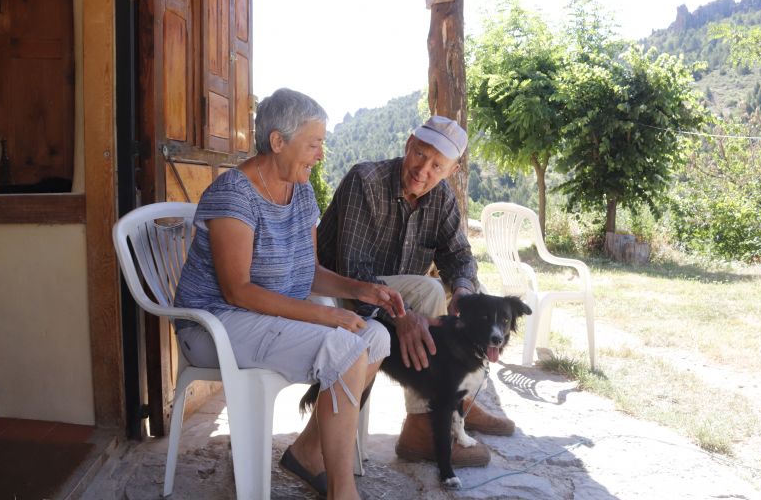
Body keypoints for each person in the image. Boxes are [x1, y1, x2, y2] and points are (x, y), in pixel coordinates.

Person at [173, 88, 405, 500]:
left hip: (269, 319)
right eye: (313, 144)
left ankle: (308, 451)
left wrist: (362, 290)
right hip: (214, 327)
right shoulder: (234, 195)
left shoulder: (300, 191)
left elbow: (308, 271)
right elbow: (237, 290)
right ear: (278, 141)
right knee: (346, 347)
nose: (320, 154)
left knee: (375, 338)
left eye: (322, 144)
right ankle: (342, 490)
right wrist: (327, 317)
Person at [317, 115, 515, 468]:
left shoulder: (441, 197)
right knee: (427, 290)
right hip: (340, 289)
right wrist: (403, 315)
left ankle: (458, 398)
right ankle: (422, 427)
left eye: (437, 165)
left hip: (390, 294)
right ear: (409, 145)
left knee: (471, 296)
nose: (424, 169)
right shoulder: (366, 181)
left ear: (450, 171)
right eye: (421, 155)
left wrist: (463, 290)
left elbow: (459, 257)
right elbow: (353, 269)